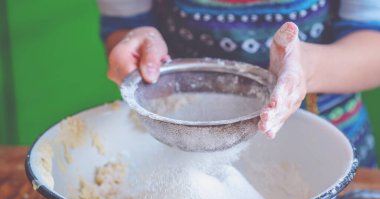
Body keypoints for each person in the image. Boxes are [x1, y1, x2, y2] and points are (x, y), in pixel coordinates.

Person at [97, 0, 380, 167]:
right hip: (187, 148)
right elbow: (123, 26)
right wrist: (139, 42)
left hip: (327, 148)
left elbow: (372, 47)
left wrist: (307, 67)